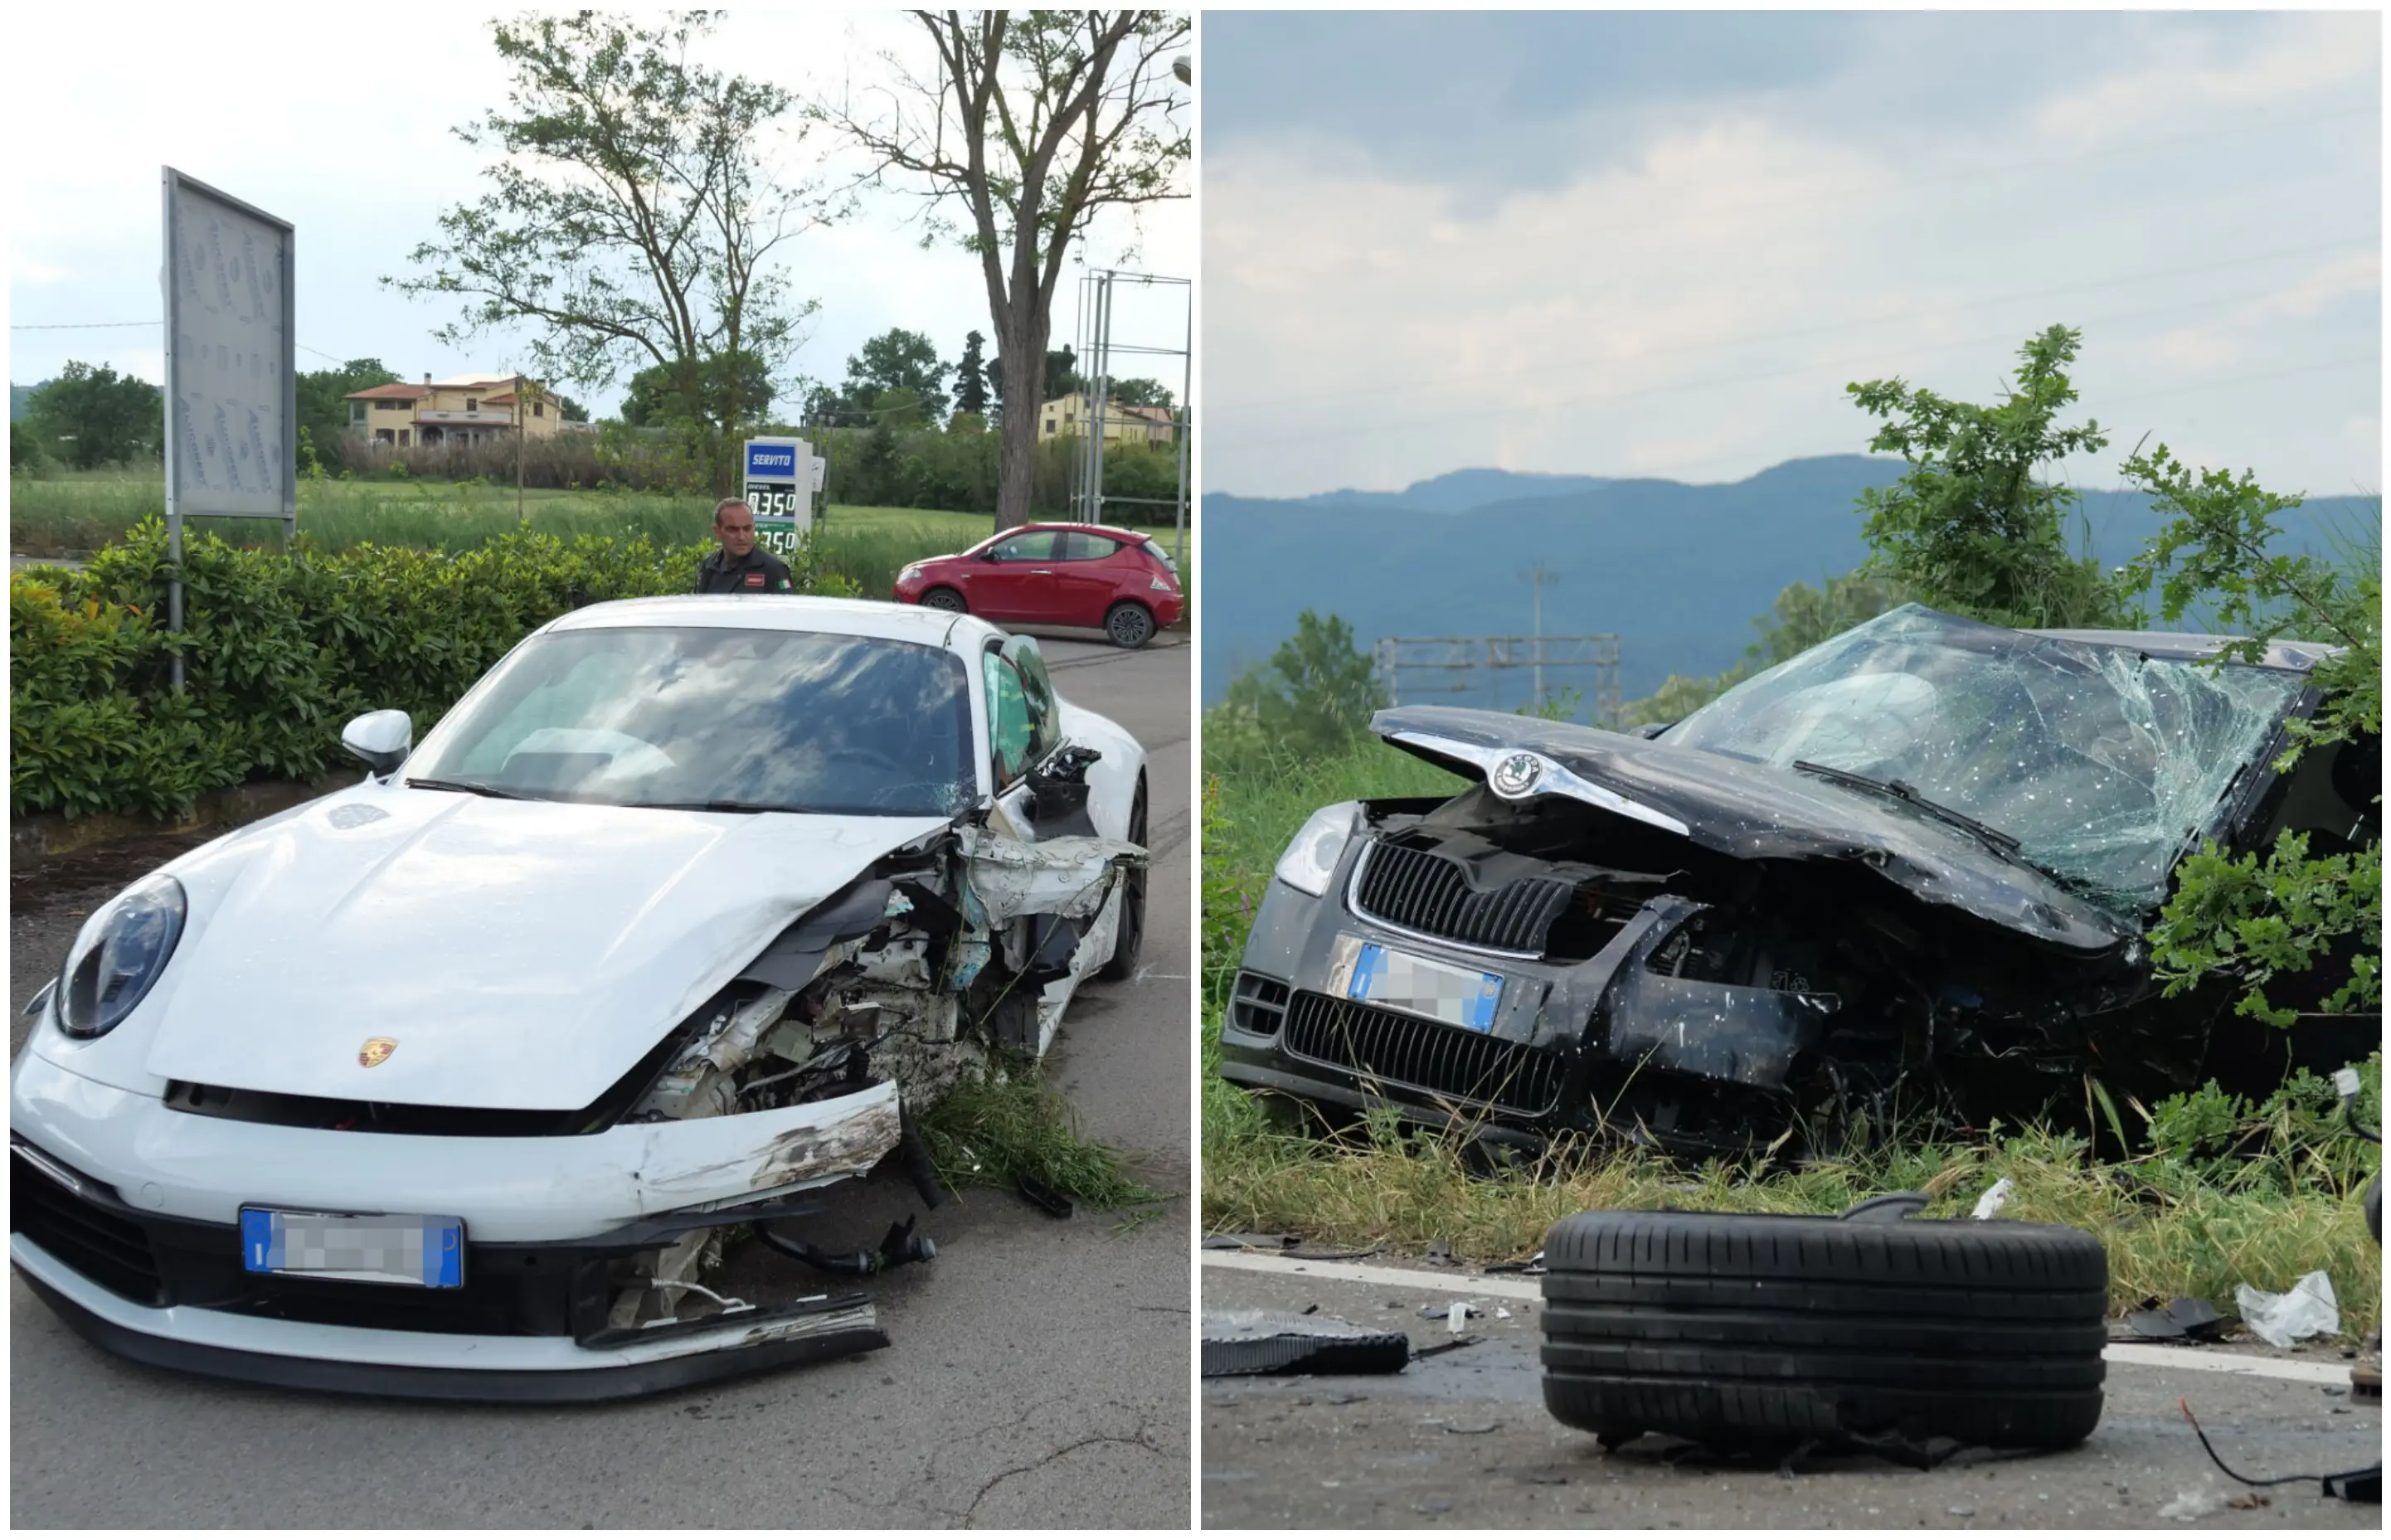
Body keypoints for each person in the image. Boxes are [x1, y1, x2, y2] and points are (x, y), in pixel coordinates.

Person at [696, 498, 795, 594]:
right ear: (717, 532)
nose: (741, 537)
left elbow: (786, 609)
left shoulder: (773, 570)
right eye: (732, 530)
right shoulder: (709, 567)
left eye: (747, 529)